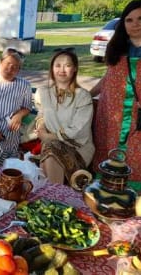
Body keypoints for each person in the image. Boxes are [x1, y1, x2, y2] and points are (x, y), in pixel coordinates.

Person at [90, 0, 141, 187]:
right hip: (110, 124)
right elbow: (109, 78)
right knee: (105, 178)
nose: (135, 24)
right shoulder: (118, 48)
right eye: (129, 20)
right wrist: (85, 95)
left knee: (139, 177)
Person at [34, 49, 95, 184]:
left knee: (50, 149)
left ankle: (53, 196)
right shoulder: (43, 93)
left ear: (75, 69)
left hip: (78, 148)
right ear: (52, 68)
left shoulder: (82, 96)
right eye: (58, 65)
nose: (62, 69)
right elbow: (41, 114)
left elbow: (78, 129)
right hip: (50, 144)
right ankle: (53, 194)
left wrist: (49, 137)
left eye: (67, 65)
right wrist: (42, 128)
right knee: (50, 150)